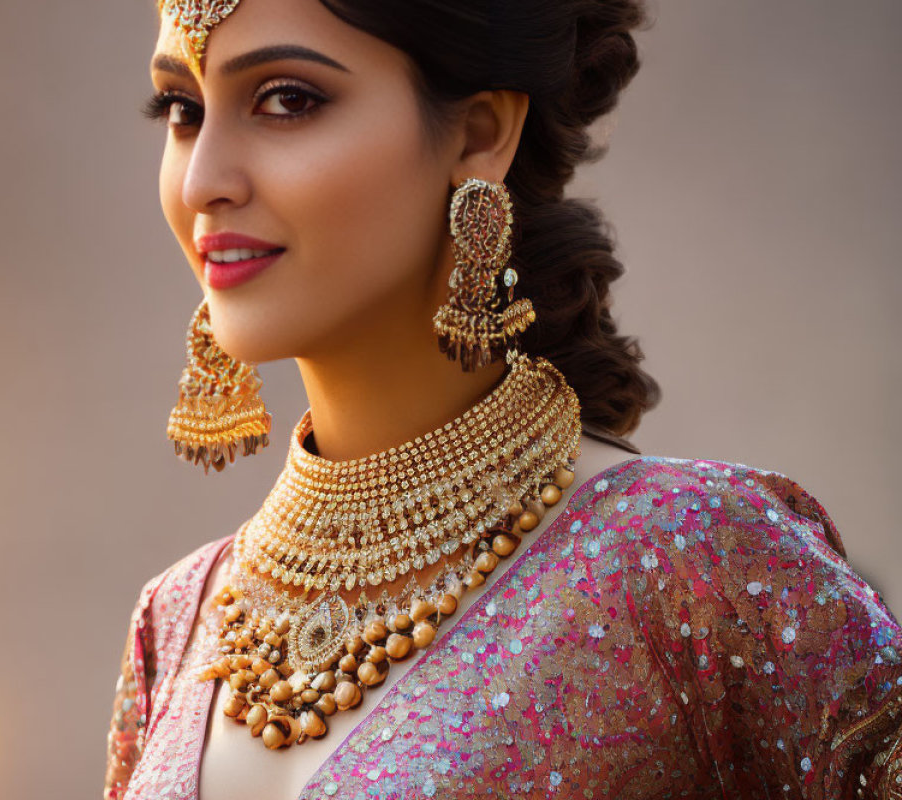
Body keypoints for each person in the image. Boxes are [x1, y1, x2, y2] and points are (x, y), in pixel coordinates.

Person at [103, 0, 902, 797]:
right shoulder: (178, 621)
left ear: (480, 133)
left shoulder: (686, 559)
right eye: (183, 110)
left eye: (287, 100)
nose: (204, 180)